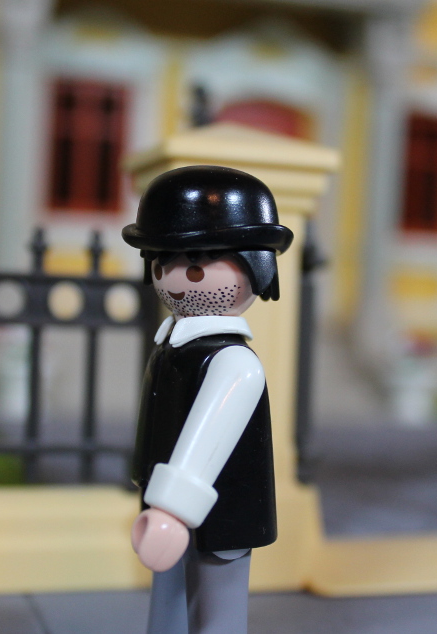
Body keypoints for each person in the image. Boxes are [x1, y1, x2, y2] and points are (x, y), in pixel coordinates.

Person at [122, 165, 293, 634]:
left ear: (256, 267)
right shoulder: (172, 345)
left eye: (197, 267)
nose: (175, 280)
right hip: (166, 508)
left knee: (215, 613)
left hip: (221, 514)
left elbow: (206, 442)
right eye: (162, 263)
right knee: (169, 607)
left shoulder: (235, 362)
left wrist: (172, 509)